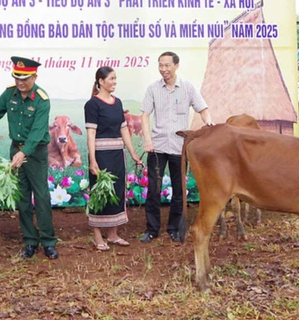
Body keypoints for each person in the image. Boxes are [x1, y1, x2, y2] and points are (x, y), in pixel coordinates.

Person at [0, 56, 58, 259]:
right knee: (22, 198)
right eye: (17, 77)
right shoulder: (10, 93)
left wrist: (24, 152)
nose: (21, 82)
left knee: (42, 197)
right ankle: (30, 241)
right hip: (15, 150)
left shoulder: (41, 99)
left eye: (25, 78)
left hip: (35, 153)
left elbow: (38, 132)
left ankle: (48, 241)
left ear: (34, 76)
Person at [139, 51, 213, 243]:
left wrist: (209, 124)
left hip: (180, 147)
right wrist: (148, 140)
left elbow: (203, 109)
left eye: (167, 65)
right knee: (154, 189)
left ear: (176, 66)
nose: (163, 69)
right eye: (160, 65)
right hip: (157, 147)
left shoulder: (187, 87)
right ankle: (152, 229)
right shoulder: (153, 89)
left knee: (179, 189)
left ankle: (174, 228)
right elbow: (145, 116)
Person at [84, 67, 143, 251]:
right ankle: (97, 236)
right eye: (111, 79)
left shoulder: (117, 103)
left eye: (115, 79)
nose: (114, 82)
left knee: (117, 190)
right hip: (101, 155)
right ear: (101, 81)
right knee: (99, 193)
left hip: (117, 154)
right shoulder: (92, 105)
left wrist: (132, 153)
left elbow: (123, 129)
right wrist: (93, 160)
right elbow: (91, 133)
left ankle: (113, 234)